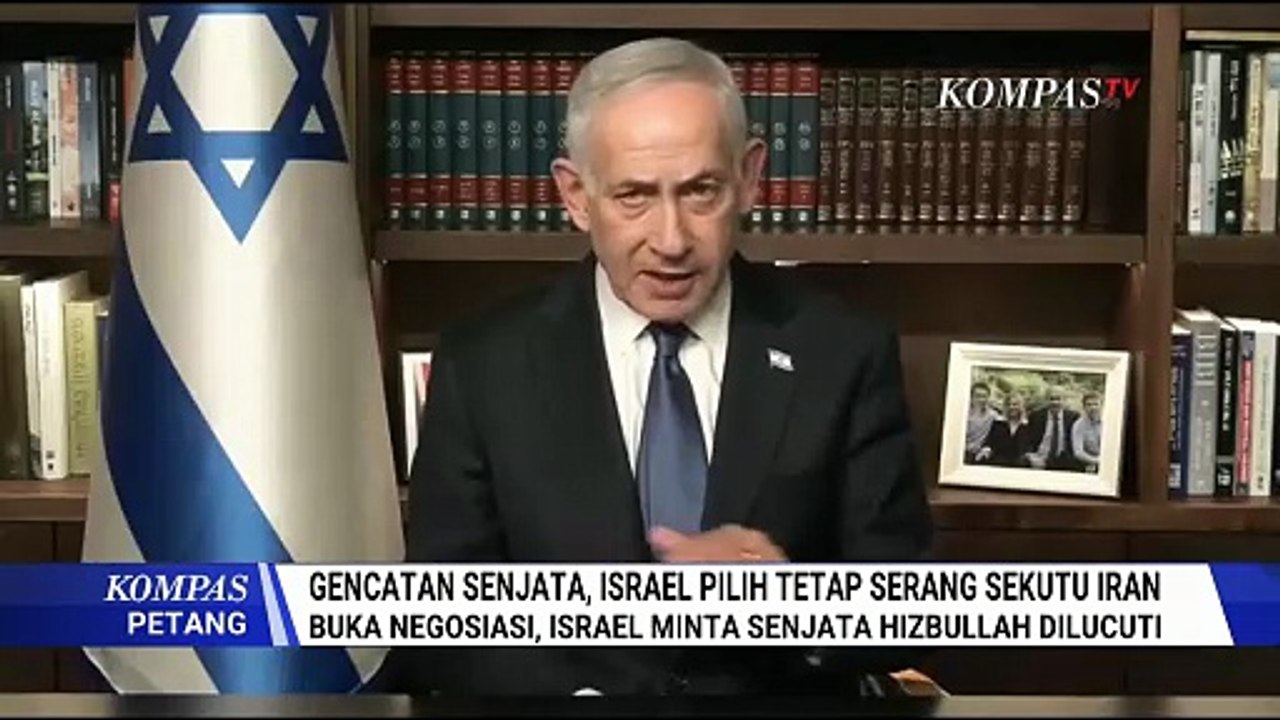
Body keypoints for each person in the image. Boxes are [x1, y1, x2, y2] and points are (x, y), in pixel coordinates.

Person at [390, 37, 934, 696]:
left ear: (750, 178)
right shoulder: (484, 363)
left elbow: (908, 612)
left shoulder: (842, 350)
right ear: (575, 195)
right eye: (634, 196)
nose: (672, 240)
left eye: (701, 191)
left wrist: (790, 605)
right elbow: (439, 624)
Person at [1026, 386, 1079, 471]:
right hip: (1039, 458)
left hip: (1063, 460)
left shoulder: (1073, 417)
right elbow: (1028, 440)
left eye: (1058, 399)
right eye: (1051, 399)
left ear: (1064, 400)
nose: (1055, 402)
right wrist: (1031, 456)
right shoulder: (1035, 416)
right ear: (1046, 400)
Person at [985, 392, 1033, 468]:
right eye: (1008, 404)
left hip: (1019, 464)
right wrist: (986, 450)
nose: (1011, 407)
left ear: (1020, 406)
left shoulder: (1026, 425)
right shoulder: (999, 423)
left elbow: (1028, 447)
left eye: (1015, 404)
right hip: (998, 462)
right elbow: (990, 441)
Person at [965, 382, 1000, 464]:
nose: (981, 400)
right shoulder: (964, 414)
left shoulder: (992, 415)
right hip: (964, 451)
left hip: (982, 453)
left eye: (984, 396)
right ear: (971, 397)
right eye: (978, 396)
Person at [1071, 392, 1103, 473]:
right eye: (1089, 405)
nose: (1093, 407)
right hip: (1091, 463)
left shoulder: (1110, 421)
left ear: (1101, 405)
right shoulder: (1079, 425)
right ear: (1084, 407)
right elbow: (1078, 452)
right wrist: (1097, 461)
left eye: (1096, 404)